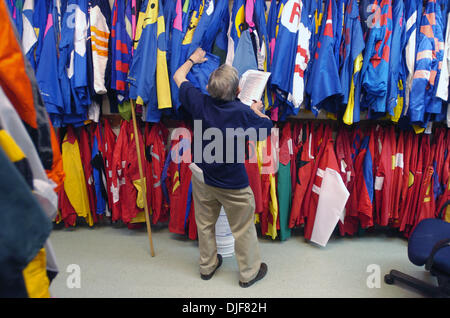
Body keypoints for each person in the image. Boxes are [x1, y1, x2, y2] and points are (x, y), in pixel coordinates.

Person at [173, 47, 273, 288]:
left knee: (205, 223)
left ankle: (207, 267)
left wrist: (192, 59)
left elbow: (178, 77)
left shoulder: (199, 102)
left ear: (208, 88)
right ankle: (249, 273)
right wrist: (258, 111)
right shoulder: (242, 112)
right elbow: (267, 128)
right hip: (232, 183)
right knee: (243, 228)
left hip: (202, 175)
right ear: (238, 91)